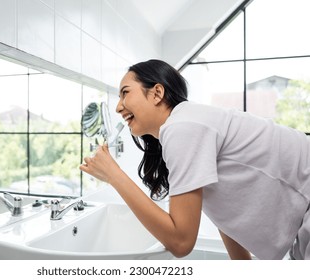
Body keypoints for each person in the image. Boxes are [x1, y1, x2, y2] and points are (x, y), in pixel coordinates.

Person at [80, 59, 310, 260]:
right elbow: (225, 214)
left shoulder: (182, 128)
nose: (118, 107)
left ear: (157, 93)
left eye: (125, 93)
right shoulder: (187, 125)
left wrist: (114, 175)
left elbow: (181, 242)